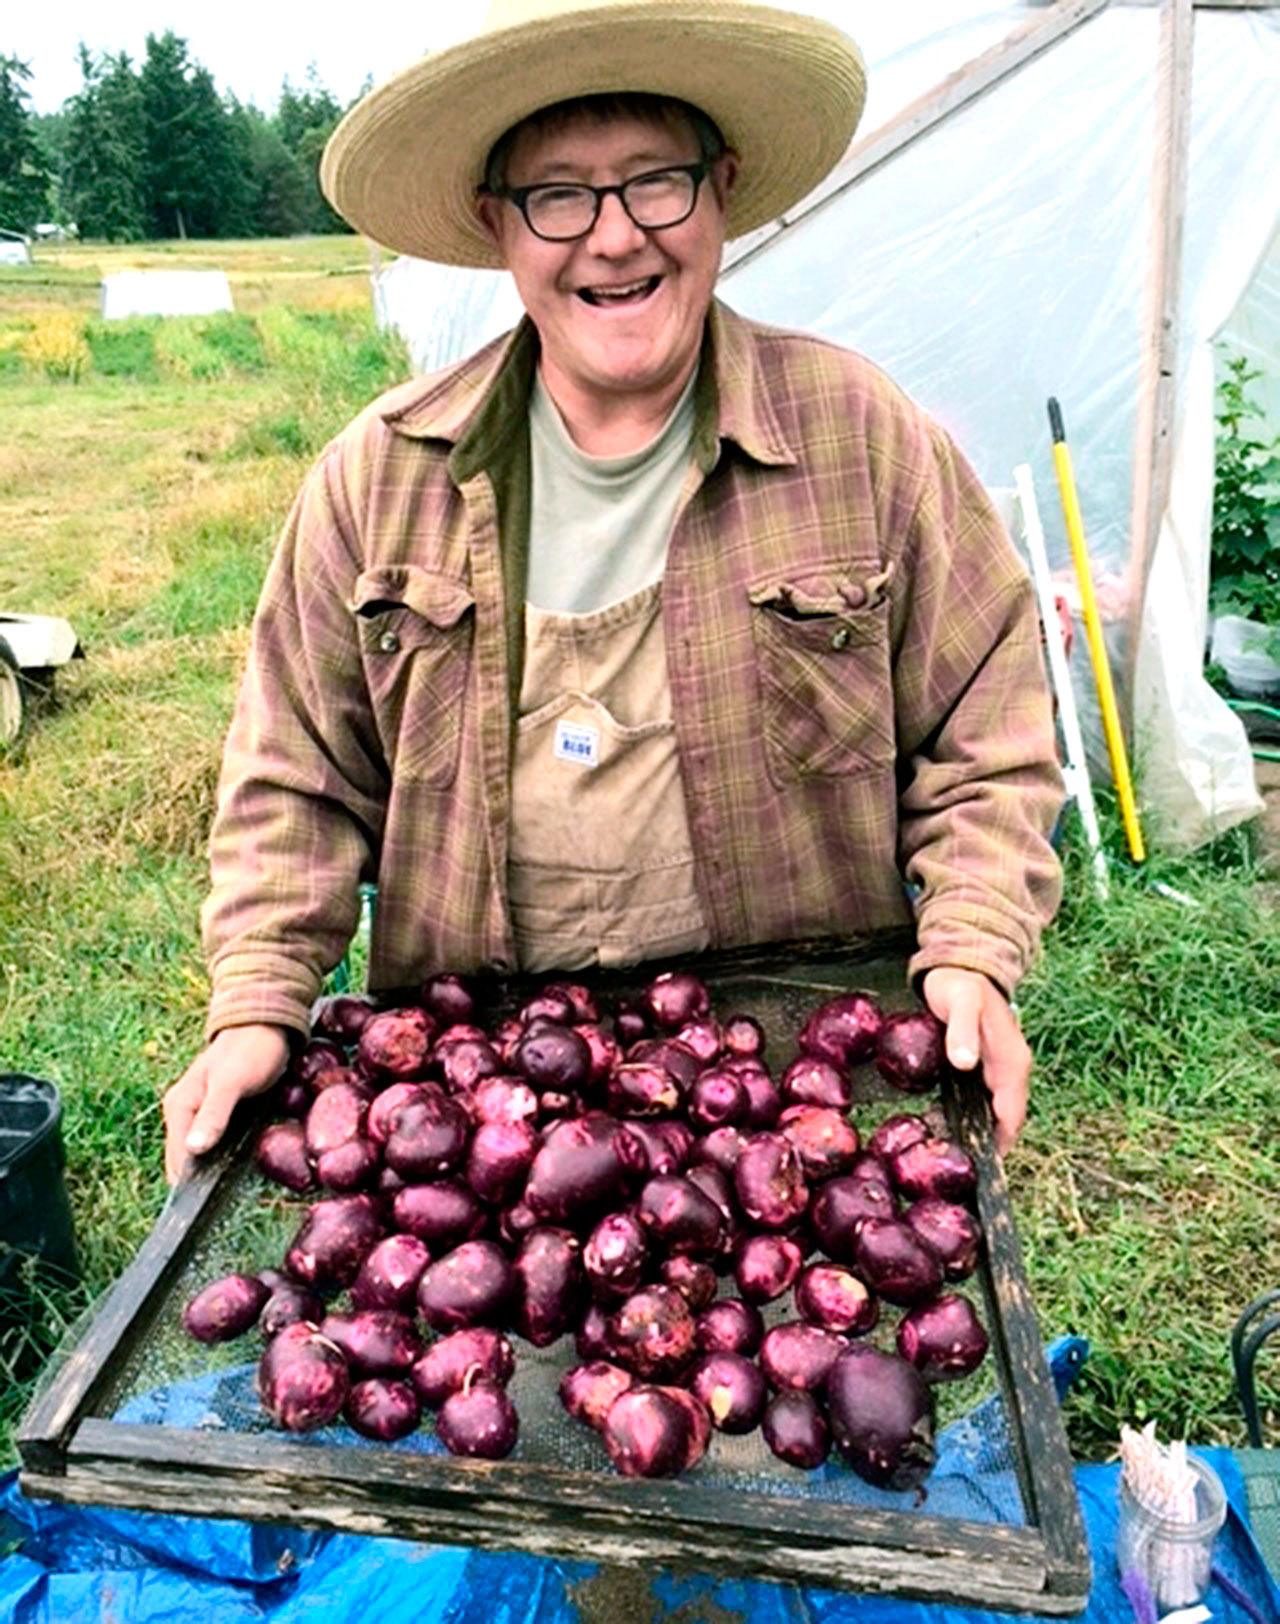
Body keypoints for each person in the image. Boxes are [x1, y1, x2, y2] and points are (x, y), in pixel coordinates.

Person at [162, 0, 1063, 1183]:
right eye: (557, 195)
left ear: (723, 190)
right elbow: (295, 779)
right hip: (478, 1105)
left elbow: (987, 732)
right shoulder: (377, 479)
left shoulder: (861, 437)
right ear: (499, 225)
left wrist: (969, 947)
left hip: (785, 1095)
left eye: (655, 183)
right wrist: (255, 1006)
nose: (614, 237)